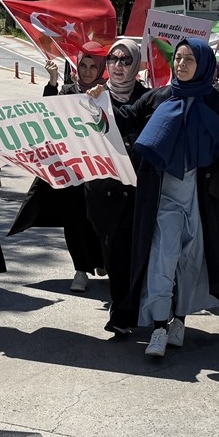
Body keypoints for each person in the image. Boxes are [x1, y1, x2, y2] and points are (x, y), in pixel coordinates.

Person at [109, 37, 219, 356]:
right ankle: (158, 327)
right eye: (178, 58)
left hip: (203, 200)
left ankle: (179, 321)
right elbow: (124, 117)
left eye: (189, 59)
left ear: (204, 65)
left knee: (190, 264)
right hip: (162, 199)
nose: (181, 64)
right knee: (162, 258)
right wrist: (94, 102)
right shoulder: (159, 97)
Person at [9, 44, 107, 293]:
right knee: (73, 220)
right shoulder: (66, 91)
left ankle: (101, 260)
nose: (86, 72)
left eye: (92, 66)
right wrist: (52, 81)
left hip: (99, 169)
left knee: (99, 218)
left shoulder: (107, 94)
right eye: (83, 65)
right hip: (70, 170)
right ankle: (81, 270)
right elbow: (46, 114)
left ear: (101, 68)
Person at [82, 37, 149, 334]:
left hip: (136, 189)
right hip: (101, 190)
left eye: (125, 60)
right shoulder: (92, 97)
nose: (118, 66)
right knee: (111, 251)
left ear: (135, 65)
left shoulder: (148, 98)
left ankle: (123, 313)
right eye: (113, 59)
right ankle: (122, 302)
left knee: (129, 251)